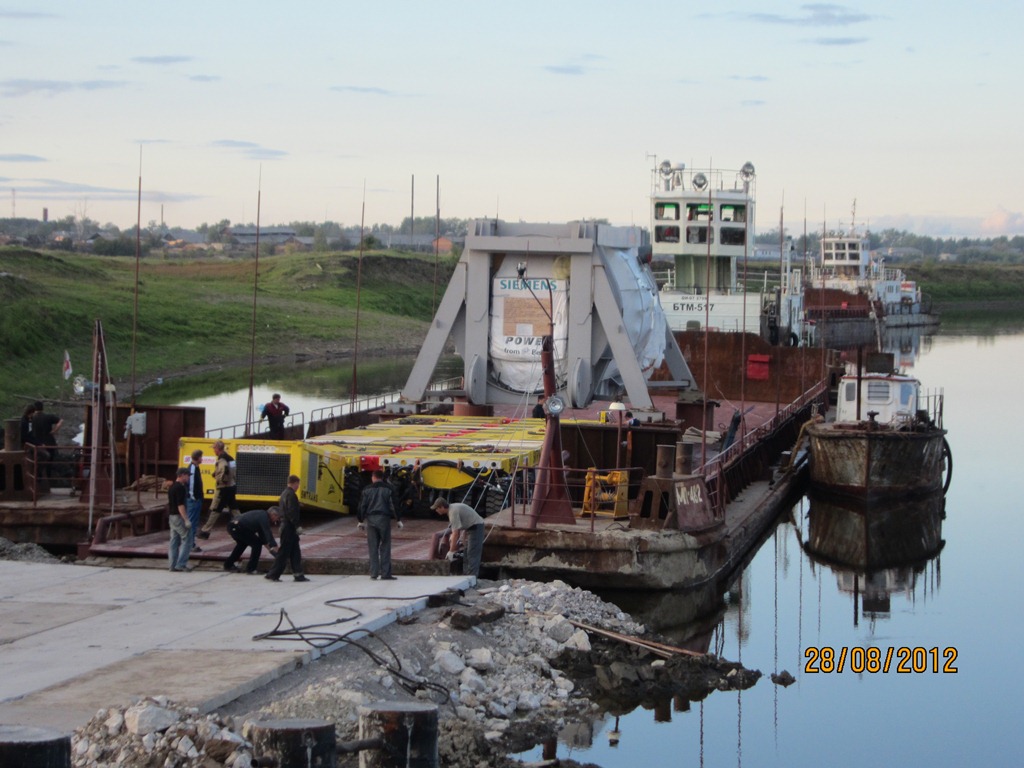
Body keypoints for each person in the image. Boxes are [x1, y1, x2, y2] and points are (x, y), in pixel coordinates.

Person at [356, 470, 404, 580]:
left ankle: (373, 573)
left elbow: (362, 505)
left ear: (373, 477)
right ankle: (386, 573)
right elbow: (394, 505)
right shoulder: (388, 489)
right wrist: (398, 519)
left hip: (371, 519)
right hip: (384, 519)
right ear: (382, 477)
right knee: (385, 546)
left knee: (373, 547)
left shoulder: (367, 489)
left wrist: (360, 520)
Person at [265, 474, 309, 582]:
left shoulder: (284, 494)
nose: (298, 486)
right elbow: (291, 512)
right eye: (298, 484)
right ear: (295, 483)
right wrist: (297, 526)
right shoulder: (292, 495)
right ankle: (273, 574)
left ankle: (298, 574)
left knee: (295, 551)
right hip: (289, 527)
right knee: (284, 552)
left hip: (285, 526)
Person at [430, 497, 485, 578]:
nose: (436, 511)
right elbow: (456, 530)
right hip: (470, 527)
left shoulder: (453, 512)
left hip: (476, 527)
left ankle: (473, 579)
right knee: (466, 553)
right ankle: (466, 577)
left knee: (472, 554)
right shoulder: (452, 509)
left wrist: (451, 551)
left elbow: (456, 533)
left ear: (442, 507)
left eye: (437, 508)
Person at [197, 440, 236, 539]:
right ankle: (246, 526)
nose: (213, 450)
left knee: (215, 509)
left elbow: (224, 470)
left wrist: (220, 479)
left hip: (223, 488)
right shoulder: (230, 458)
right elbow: (233, 471)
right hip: (231, 487)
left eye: (214, 448)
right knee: (234, 509)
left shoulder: (221, 459)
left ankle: (205, 531)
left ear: (217, 449)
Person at [224, 507, 280, 574]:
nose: (277, 520)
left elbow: (263, 537)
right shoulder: (264, 518)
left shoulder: (262, 515)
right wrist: (275, 546)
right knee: (257, 544)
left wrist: (272, 551)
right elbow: (268, 533)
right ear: (273, 515)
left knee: (242, 544)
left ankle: (228, 564)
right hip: (238, 527)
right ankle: (251, 569)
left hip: (232, 526)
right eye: (278, 517)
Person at [167, 467, 193, 572]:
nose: (188, 478)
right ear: (182, 475)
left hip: (171, 517)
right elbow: (180, 505)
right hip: (178, 517)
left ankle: (172, 565)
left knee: (174, 541)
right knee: (188, 538)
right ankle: (181, 564)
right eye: (187, 475)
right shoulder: (180, 488)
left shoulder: (172, 487)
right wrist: (186, 519)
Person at [186, 449, 204, 553]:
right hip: (194, 500)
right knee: (192, 522)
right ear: (197, 458)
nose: (202, 459)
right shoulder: (193, 468)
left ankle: (191, 543)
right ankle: (190, 544)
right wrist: (194, 497)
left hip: (196, 499)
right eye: (201, 457)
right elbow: (191, 484)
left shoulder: (196, 468)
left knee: (194, 522)